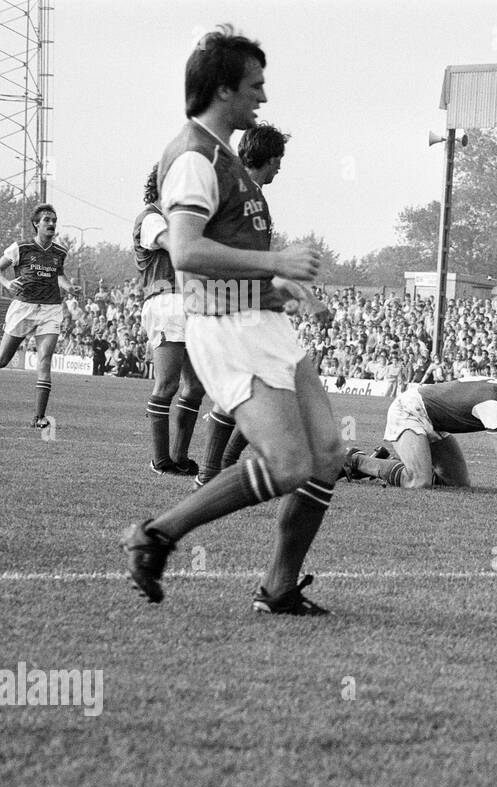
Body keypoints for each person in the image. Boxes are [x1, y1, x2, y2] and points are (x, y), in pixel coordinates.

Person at [121, 25, 337, 614]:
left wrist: (286, 288)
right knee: (290, 463)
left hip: (263, 323)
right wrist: (276, 261)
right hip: (229, 329)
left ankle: (280, 585)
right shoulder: (193, 157)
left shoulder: (223, 157)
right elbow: (187, 251)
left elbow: (228, 252)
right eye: (254, 85)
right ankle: (157, 535)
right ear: (222, 90)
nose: (262, 97)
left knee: (328, 454)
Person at [194, 121, 318, 485]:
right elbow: (237, 255)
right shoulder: (241, 192)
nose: (281, 167)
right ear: (270, 158)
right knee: (249, 391)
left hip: (245, 301)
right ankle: (210, 472)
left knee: (251, 389)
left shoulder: (252, 194)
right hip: (233, 303)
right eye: (279, 160)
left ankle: (216, 470)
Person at [344, 366, 497, 492]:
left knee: (457, 484)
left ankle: (390, 464)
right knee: (420, 482)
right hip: (411, 410)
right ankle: (355, 460)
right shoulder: (495, 404)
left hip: (435, 421)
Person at [135, 165, 207, 475]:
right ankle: (160, 460)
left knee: (195, 386)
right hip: (165, 302)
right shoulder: (150, 217)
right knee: (167, 384)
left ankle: (179, 457)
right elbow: (177, 247)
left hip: (190, 302)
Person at [0, 203, 73, 428]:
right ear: (36, 224)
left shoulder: (60, 252)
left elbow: (59, 277)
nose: (52, 224)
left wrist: (69, 287)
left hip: (50, 309)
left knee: (45, 360)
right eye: (47, 220)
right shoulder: (20, 247)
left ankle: (39, 417)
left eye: (54, 220)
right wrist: (6, 283)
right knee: (2, 360)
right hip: (24, 307)